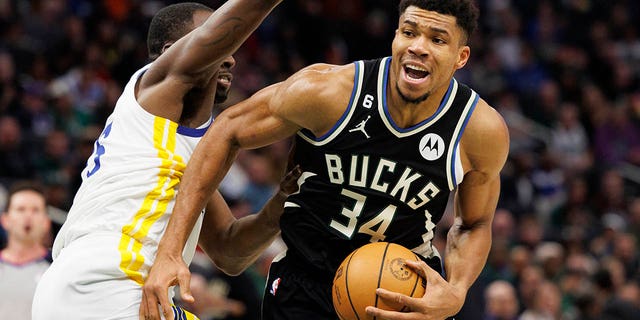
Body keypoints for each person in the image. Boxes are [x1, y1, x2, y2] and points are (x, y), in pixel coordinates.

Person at [143, 0, 509, 319]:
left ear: (461, 57)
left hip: (405, 290)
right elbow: (227, 131)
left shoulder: (479, 130)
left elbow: (474, 223)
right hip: (306, 283)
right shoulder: (330, 93)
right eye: (409, 32)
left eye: (437, 39)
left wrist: (457, 289)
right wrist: (170, 251)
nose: (418, 47)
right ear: (395, 36)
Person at [31, 1, 294, 319]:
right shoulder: (154, 89)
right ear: (171, 51)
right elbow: (242, 16)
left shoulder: (174, 151)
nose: (231, 56)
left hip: (77, 288)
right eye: (221, 40)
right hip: (110, 279)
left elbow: (229, 251)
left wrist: (283, 200)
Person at [0, 182, 51, 320]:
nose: (28, 216)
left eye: (35, 210)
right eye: (20, 209)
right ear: (5, 220)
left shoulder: (57, 268)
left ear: (46, 222)